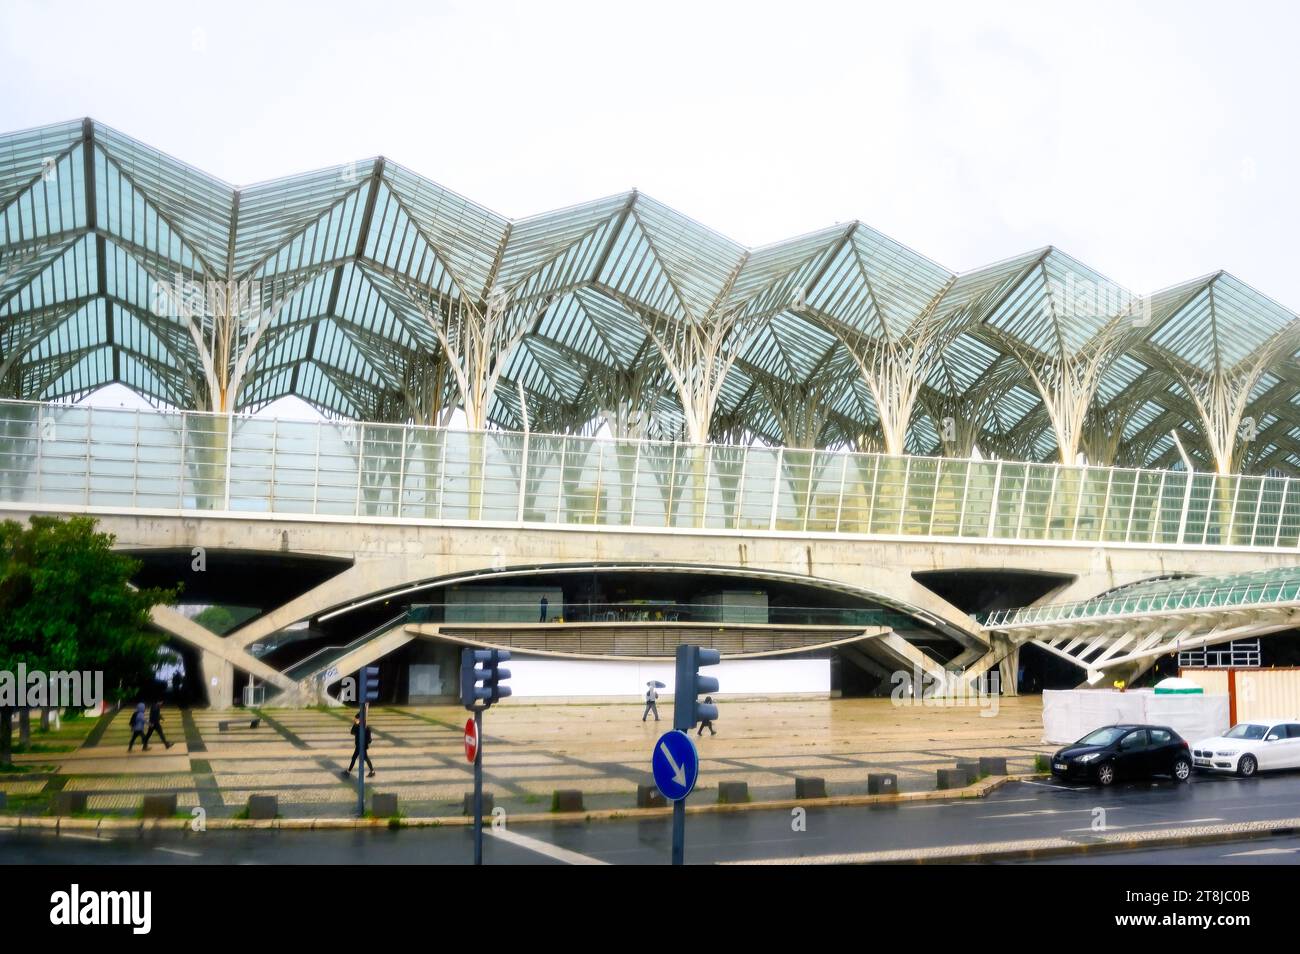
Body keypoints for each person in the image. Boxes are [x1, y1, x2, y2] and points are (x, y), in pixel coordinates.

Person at [344, 710, 375, 777]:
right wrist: (355, 725)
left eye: (356, 719)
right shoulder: (358, 726)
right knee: (364, 758)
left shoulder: (366, 728)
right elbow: (352, 732)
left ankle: (348, 772)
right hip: (359, 745)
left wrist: (366, 743)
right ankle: (372, 771)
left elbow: (369, 739)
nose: (354, 720)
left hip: (362, 746)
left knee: (355, 757)